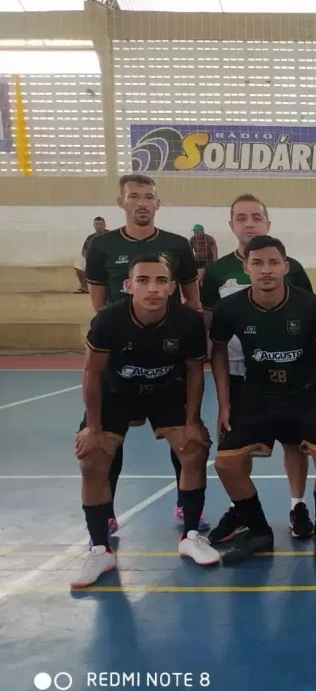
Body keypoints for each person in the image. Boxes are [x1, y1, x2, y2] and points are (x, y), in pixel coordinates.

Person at [72, 253, 215, 588]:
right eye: (144, 280)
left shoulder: (188, 322)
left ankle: (191, 536)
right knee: (92, 458)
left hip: (166, 391)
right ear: (128, 286)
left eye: (161, 281)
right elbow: (92, 374)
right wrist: (93, 428)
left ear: (172, 288)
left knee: (194, 449)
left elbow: (195, 374)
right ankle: (99, 549)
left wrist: (193, 420)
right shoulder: (109, 320)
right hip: (116, 393)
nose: (153, 288)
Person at [208, 236, 316, 563]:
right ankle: (259, 532)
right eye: (257, 263)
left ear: (285, 266)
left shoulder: (309, 305)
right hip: (257, 396)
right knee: (226, 463)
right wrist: (225, 403)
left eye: (272, 263)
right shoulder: (230, 308)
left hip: (305, 394)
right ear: (246, 267)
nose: (266, 270)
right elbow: (219, 352)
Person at [84, 173, 203, 535]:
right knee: (103, 445)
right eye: (134, 196)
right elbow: (99, 303)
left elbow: (192, 298)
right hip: (119, 360)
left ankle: (187, 507)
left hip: (165, 359)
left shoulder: (178, 245)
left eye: (148, 196)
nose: (141, 202)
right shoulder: (101, 246)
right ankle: (105, 514)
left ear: (157, 203)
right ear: (121, 201)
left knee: (186, 440)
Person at [200, 194, 316, 545]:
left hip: (281, 372)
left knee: (294, 441)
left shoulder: (290, 266)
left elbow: (306, 320)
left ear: (268, 223)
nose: (249, 223)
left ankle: (298, 506)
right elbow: (212, 329)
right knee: (236, 444)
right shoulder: (218, 271)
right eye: (241, 218)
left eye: (256, 217)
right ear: (231, 224)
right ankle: (243, 510)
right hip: (236, 374)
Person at [75, 216, 106, 293]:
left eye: (101, 224)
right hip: (92, 259)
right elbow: (84, 251)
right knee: (79, 264)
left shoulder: (110, 235)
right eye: (97, 224)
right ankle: (84, 287)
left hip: (107, 259)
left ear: (105, 225)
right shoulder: (90, 238)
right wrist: (89, 260)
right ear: (94, 225)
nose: (99, 226)